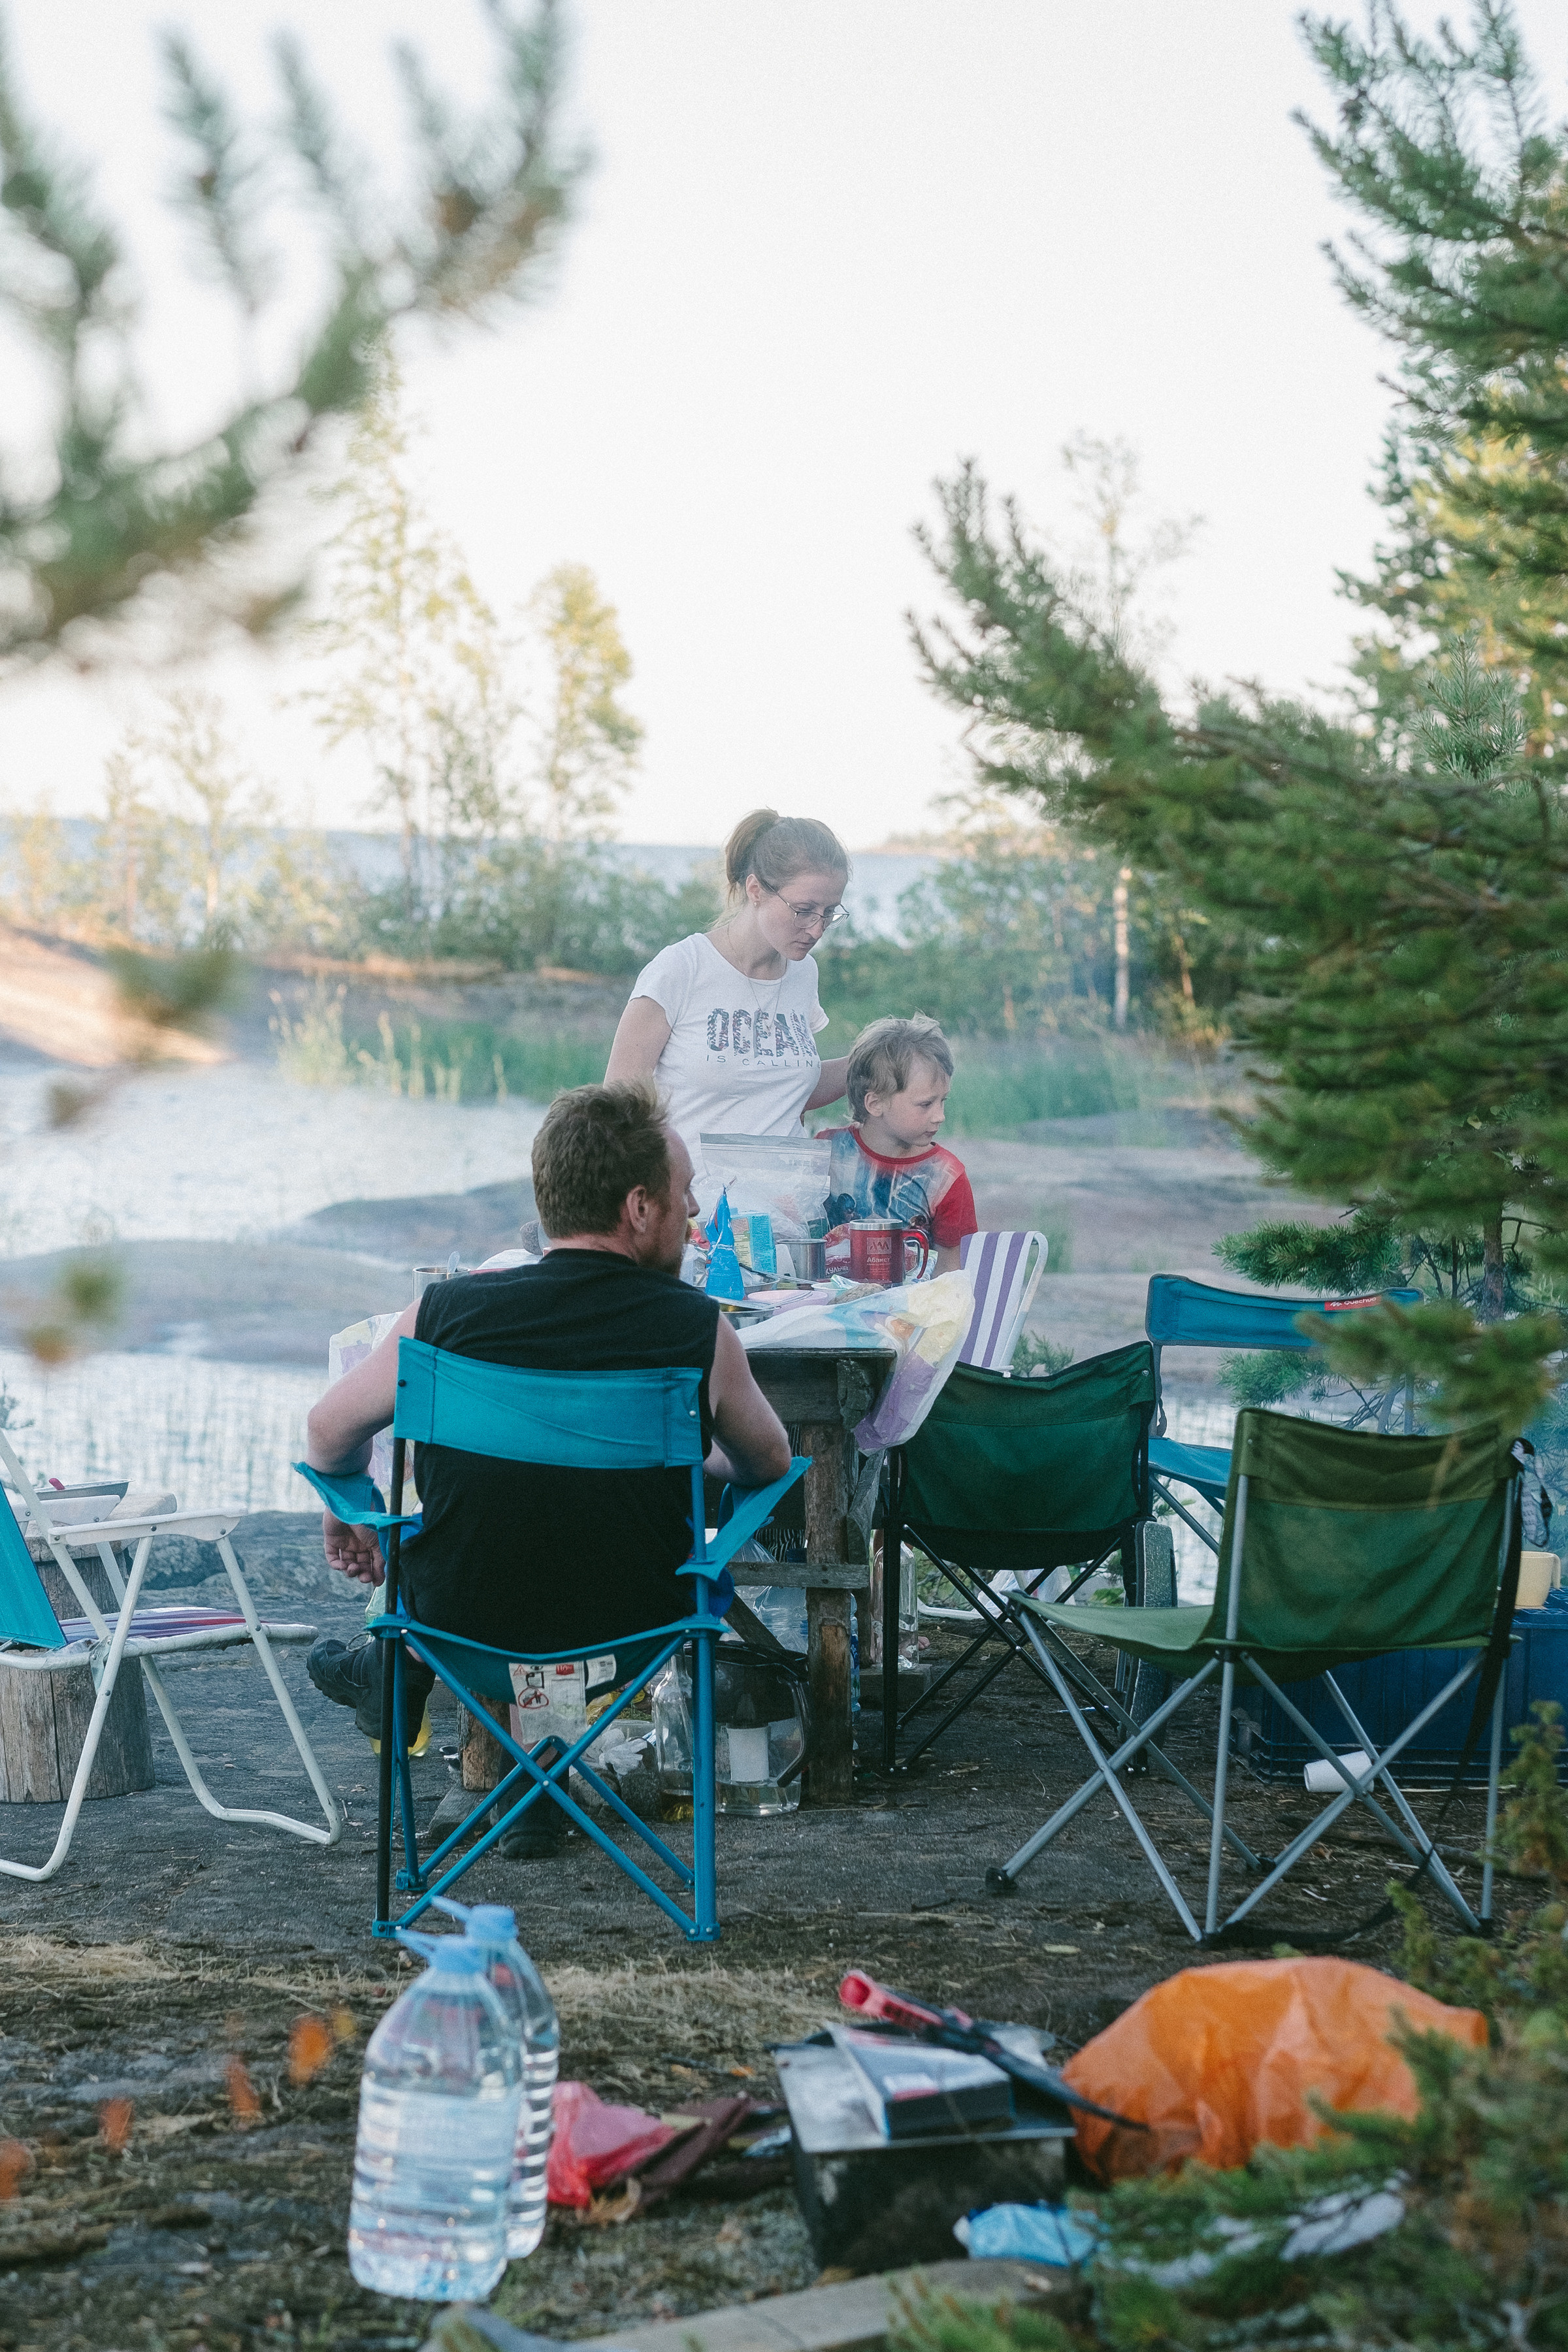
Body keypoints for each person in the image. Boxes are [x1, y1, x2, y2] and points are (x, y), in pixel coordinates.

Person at [303, 1081, 792, 1857]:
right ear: (638, 1208)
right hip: (636, 1628)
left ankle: (435, 1709)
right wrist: (691, 1461)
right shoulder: (698, 1331)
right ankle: (535, 1782)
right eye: (684, 1195)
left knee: (507, 1526)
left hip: (456, 1626)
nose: (695, 1214)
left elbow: (328, 1428)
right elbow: (771, 1466)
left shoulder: (442, 1314)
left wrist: (349, 1503)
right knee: (572, 1536)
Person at [604, 809, 853, 1182]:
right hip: (699, 1221)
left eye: (829, 912)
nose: (817, 929)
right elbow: (617, 1111)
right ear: (756, 890)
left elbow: (781, 1087)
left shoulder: (804, 973)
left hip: (790, 1217)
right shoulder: (681, 968)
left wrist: (873, 1057)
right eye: (803, 911)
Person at [819, 1015, 977, 1275]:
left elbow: (952, 1271)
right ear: (875, 1103)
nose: (940, 1116)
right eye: (926, 1104)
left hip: (910, 1312)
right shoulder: (826, 1153)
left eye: (943, 1101)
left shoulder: (946, 1177)